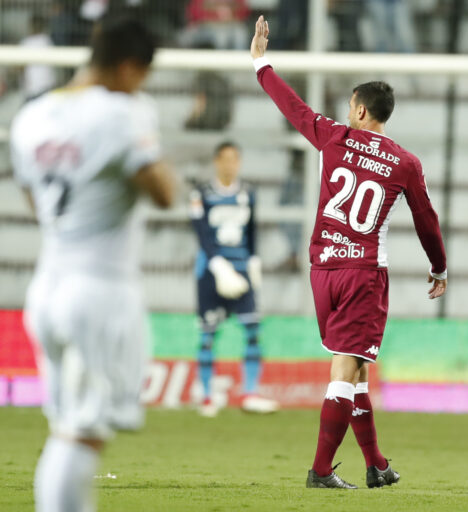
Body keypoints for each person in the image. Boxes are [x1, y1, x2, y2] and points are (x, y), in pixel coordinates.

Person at [250, 16, 448, 489]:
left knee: (354, 368)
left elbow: (292, 106)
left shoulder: (332, 136)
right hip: (363, 273)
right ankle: (319, 471)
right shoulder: (404, 163)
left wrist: (260, 62)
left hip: (321, 270)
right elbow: (426, 219)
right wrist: (438, 266)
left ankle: (376, 464)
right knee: (346, 369)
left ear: (359, 110)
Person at [10, 18, 176, 512]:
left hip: (48, 285)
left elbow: (33, 199)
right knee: (81, 436)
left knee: (68, 426)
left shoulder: (33, 115)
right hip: (100, 290)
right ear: (129, 67)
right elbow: (162, 193)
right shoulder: (123, 112)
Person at [190, 141, 279, 416]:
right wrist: (216, 264)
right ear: (217, 161)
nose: (230, 164)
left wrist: (253, 261)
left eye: (234, 159)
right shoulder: (201, 194)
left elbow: (252, 230)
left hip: (241, 268)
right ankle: (207, 397)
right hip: (211, 270)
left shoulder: (248, 193)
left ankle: (250, 392)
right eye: (225, 159)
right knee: (208, 333)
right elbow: (201, 232)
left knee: (253, 330)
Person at [19, 13, 57, 101]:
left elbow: (20, 66)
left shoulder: (26, 42)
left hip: (33, 87)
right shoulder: (47, 40)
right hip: (48, 84)